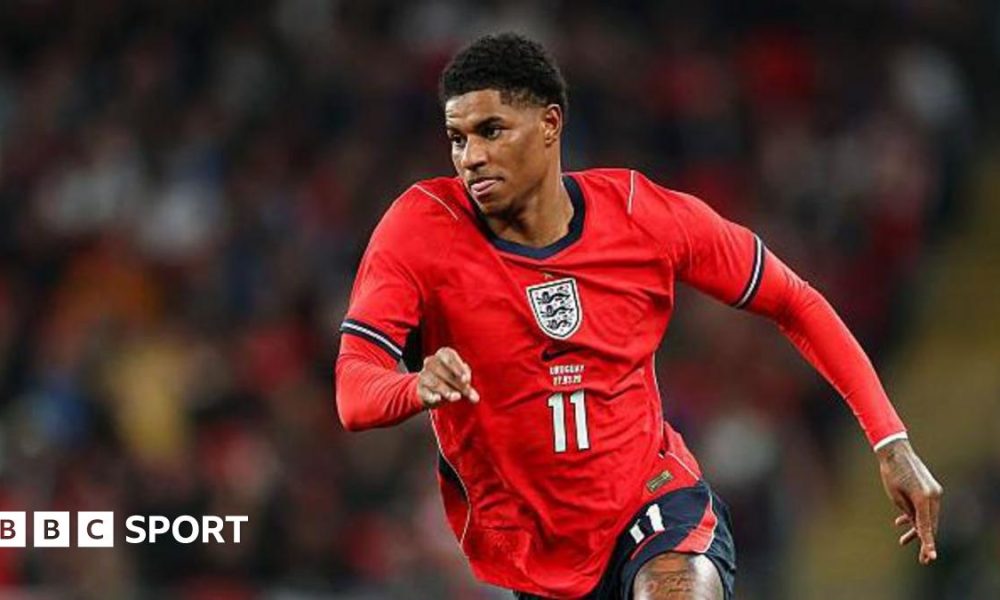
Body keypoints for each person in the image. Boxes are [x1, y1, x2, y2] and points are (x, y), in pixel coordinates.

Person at [334, 32, 942, 600]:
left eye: (491, 130)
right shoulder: (422, 229)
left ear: (550, 124)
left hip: (652, 504)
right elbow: (353, 390)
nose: (471, 157)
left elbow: (792, 299)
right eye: (457, 137)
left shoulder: (641, 215)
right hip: (535, 556)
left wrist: (891, 442)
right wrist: (414, 386)